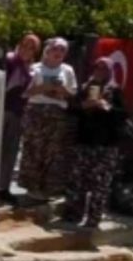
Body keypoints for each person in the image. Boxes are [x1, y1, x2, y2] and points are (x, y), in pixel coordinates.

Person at [62, 58, 127, 227]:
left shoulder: (115, 91)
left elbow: (123, 116)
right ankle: (73, 214)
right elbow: (71, 110)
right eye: (97, 67)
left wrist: (107, 107)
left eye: (104, 68)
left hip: (106, 145)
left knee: (100, 184)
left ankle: (93, 218)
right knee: (78, 180)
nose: (100, 71)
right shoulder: (85, 87)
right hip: (84, 142)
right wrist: (84, 105)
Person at [17, 37, 78, 204]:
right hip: (37, 111)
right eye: (56, 49)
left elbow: (72, 94)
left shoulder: (67, 70)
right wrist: (45, 87)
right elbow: (25, 92)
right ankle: (31, 187)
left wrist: (61, 89)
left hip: (57, 113)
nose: (58, 53)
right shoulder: (35, 68)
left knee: (53, 151)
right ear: (48, 50)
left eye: (62, 50)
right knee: (33, 148)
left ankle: (48, 188)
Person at [0, 33, 42, 204]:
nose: (27, 49)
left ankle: (3, 188)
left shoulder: (30, 68)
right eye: (25, 44)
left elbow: (24, 92)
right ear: (20, 44)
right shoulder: (9, 60)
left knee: (10, 151)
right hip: (2, 109)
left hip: (17, 112)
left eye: (32, 48)